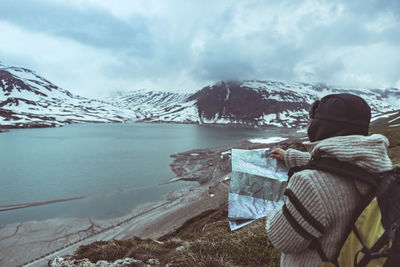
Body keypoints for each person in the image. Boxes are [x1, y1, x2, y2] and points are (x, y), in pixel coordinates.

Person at [266, 93, 393, 266]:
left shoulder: (309, 183)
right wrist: (292, 157)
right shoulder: (379, 165)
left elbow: (281, 238)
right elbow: (343, 166)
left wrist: (271, 205)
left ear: (321, 125)